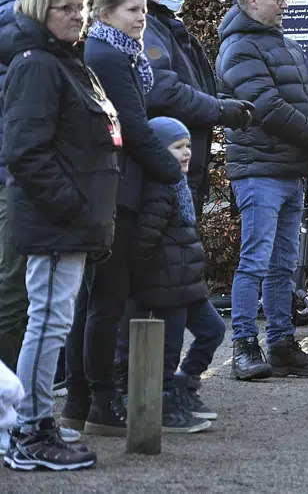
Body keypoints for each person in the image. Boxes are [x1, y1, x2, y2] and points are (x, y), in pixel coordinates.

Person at [1, 0, 114, 472]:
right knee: (46, 324)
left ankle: (35, 420)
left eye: (81, 5)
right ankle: (30, 429)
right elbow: (26, 153)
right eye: (65, 7)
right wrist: (73, 206)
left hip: (72, 221)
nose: (78, 14)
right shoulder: (39, 66)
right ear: (39, 12)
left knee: (53, 322)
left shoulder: (68, 63)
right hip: (55, 222)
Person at [63, 0, 183, 437]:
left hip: (114, 188)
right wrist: (170, 172)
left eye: (143, 10)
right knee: (105, 301)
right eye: (132, 10)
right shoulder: (110, 57)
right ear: (106, 13)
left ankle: (81, 400)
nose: (141, 17)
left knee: (93, 302)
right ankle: (98, 402)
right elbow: (131, 125)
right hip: (116, 192)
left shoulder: (118, 54)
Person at [216, 0, 308, 381]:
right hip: (259, 171)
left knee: (284, 263)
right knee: (255, 260)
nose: (285, 3)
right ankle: (245, 345)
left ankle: (283, 345)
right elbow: (266, 107)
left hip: (291, 170)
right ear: (252, 0)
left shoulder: (288, 44)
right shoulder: (238, 49)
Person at [0, 0, 84, 376]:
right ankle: (11, 403)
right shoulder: (28, 40)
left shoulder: (53, 40)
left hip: (40, 176)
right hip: (23, 179)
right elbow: (27, 135)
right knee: (16, 289)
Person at [125, 0, 254, 217]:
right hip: (163, 166)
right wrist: (219, 110)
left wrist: (222, 104)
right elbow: (163, 91)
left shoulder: (168, 27)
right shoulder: (146, 30)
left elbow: (194, 87)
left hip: (183, 164)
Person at [130, 117, 222, 434]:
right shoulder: (159, 189)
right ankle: (164, 403)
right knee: (169, 351)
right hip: (167, 286)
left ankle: (186, 385)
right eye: (177, 147)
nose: (186, 153)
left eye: (187, 147)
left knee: (213, 330)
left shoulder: (180, 186)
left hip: (187, 283)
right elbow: (145, 240)